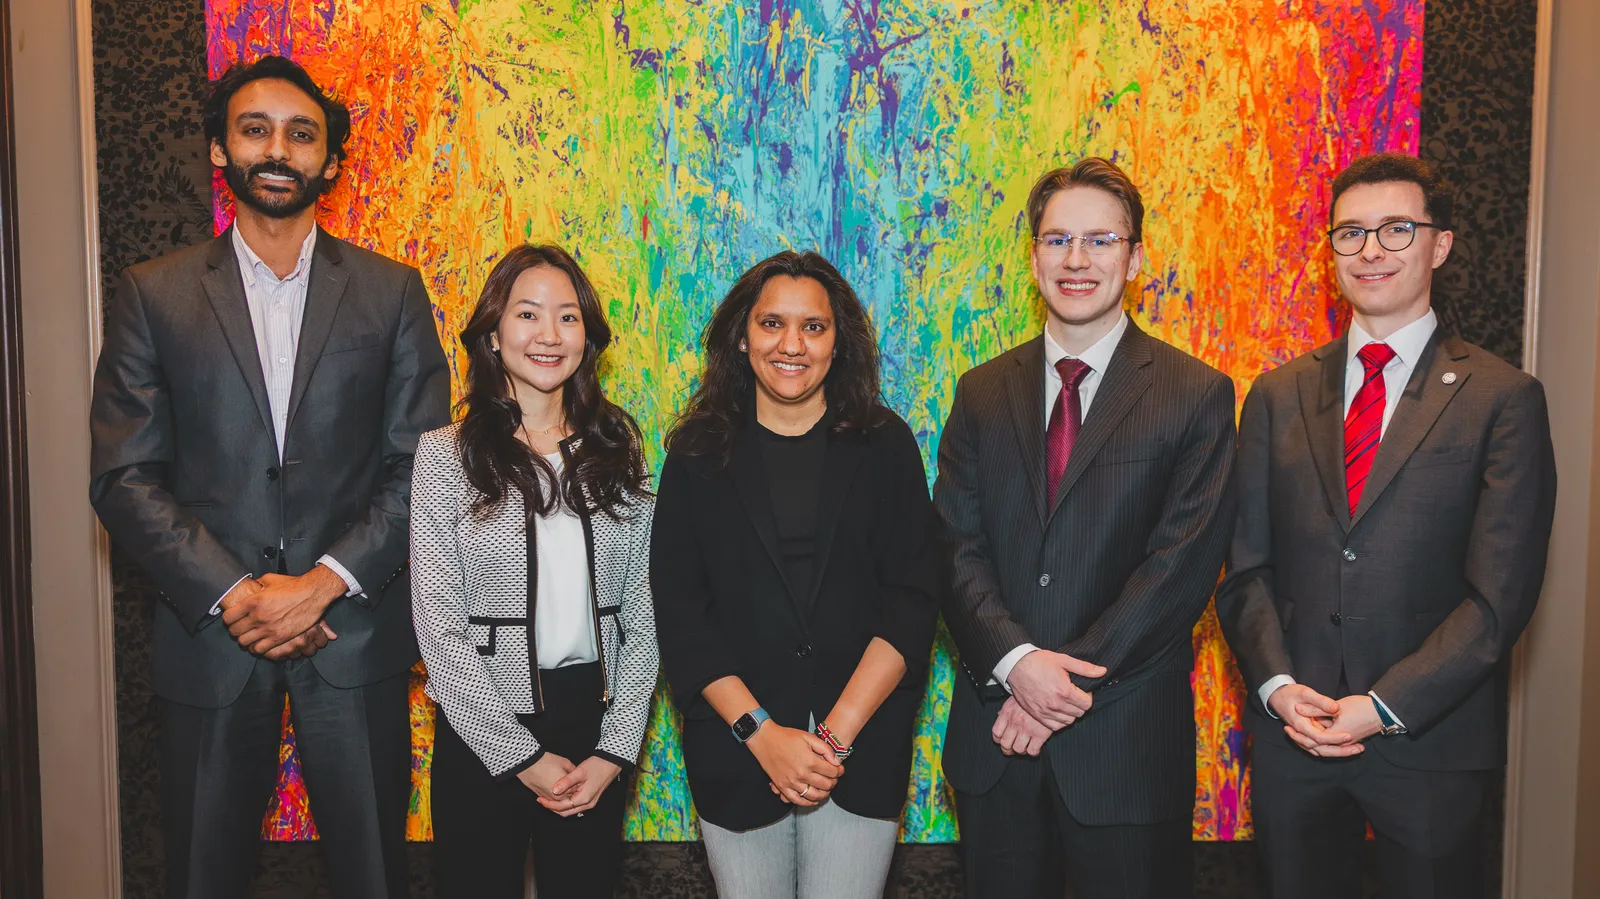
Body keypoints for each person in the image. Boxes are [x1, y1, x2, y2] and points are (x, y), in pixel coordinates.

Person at [89, 55, 450, 898]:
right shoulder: (156, 293)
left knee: (375, 878)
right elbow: (124, 475)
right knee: (201, 876)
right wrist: (242, 593)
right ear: (221, 150)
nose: (277, 149)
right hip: (212, 640)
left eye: (301, 133)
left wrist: (320, 584)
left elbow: (423, 465)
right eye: (255, 129)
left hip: (351, 638)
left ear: (329, 160)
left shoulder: (391, 292)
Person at [1216, 152, 1557, 899]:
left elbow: (1498, 600)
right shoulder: (1276, 394)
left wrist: (1383, 705)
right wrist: (1276, 686)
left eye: (1396, 229)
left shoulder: (1503, 398)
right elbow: (1245, 570)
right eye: (1350, 233)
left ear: (1441, 245)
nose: (1370, 250)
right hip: (1294, 738)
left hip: (1430, 744)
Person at [934, 158, 1236, 899]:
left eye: (1100, 241)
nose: (1077, 260)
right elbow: (954, 548)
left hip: (1122, 749)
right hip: (994, 743)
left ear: (1135, 257)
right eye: (1057, 239)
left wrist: (1053, 685)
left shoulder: (1196, 393)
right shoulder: (980, 391)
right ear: (1032, 255)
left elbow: (1179, 569)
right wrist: (1015, 664)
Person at [650, 250, 941, 897]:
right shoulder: (697, 452)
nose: (792, 344)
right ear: (742, 335)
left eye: (814, 326)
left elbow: (913, 599)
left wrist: (830, 739)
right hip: (737, 745)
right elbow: (681, 611)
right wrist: (762, 734)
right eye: (772, 322)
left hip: (859, 748)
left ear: (839, 342)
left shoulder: (886, 444)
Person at [410, 244, 658, 898]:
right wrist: (521, 756)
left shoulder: (618, 452)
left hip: (591, 724)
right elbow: (438, 630)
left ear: (588, 336)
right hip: (481, 723)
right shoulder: (444, 457)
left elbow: (645, 619)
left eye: (568, 317)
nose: (549, 334)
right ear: (493, 333)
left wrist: (612, 752)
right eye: (528, 314)